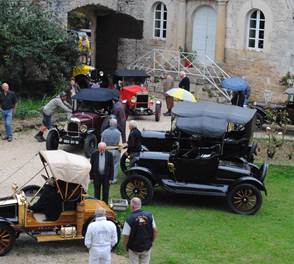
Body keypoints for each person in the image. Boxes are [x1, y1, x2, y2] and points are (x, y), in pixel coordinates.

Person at [122, 197, 157, 264]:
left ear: (132, 206)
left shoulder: (129, 219)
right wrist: (152, 241)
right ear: (140, 205)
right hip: (146, 246)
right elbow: (155, 230)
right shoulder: (149, 215)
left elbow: (126, 236)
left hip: (133, 248)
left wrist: (125, 246)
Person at [101, 118, 122, 183]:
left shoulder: (104, 132)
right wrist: (120, 150)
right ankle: (113, 179)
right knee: (115, 165)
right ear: (115, 124)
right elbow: (120, 144)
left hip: (107, 151)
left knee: (106, 165)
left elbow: (101, 142)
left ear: (109, 124)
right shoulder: (118, 133)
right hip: (115, 151)